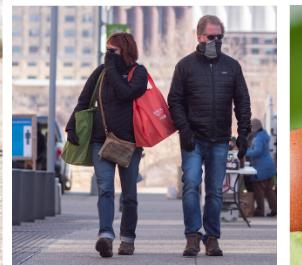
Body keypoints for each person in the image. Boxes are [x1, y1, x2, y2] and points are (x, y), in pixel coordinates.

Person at [166, 15, 252, 257]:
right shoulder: (185, 66)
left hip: (219, 139)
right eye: (210, 37)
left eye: (219, 37)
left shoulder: (232, 66)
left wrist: (243, 133)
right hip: (193, 137)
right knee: (192, 184)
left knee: (214, 190)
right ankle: (192, 236)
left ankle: (212, 238)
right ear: (199, 37)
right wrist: (183, 128)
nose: (215, 41)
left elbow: (243, 102)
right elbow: (174, 101)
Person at [65, 33, 147, 259]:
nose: (108, 55)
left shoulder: (138, 72)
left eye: (114, 51)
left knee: (129, 194)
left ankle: (128, 238)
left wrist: (110, 68)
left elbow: (127, 93)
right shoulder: (99, 73)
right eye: (107, 50)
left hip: (129, 144)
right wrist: (71, 126)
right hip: (100, 141)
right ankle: (106, 236)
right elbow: (84, 101)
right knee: (105, 190)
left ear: (126, 50)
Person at [244, 118, 277, 217]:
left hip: (261, 168)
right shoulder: (264, 136)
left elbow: (257, 152)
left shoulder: (257, 138)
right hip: (269, 166)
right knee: (268, 190)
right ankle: (275, 208)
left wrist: (244, 152)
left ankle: (260, 210)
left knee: (258, 190)